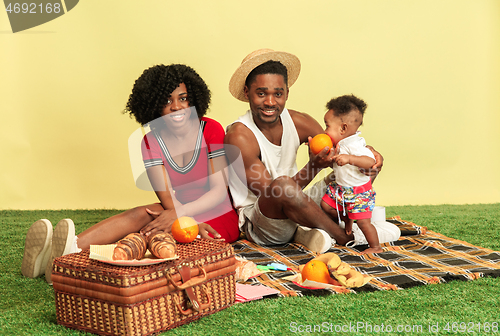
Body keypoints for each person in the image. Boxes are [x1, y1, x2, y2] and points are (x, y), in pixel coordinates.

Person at [22, 64, 240, 284]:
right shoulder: (150, 141)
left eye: (182, 99)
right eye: (166, 101)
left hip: (216, 212)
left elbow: (218, 193)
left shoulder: (210, 129)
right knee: (141, 214)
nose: (176, 107)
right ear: (153, 106)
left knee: (170, 233)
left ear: (193, 100)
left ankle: (64, 258)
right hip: (177, 207)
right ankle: (67, 249)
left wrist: (184, 220)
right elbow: (166, 200)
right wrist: (179, 217)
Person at [225, 48, 400, 254]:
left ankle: (315, 229)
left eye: (278, 94)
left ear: (287, 93)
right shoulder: (238, 136)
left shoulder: (299, 121)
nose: (270, 102)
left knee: (355, 169)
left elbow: (340, 146)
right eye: (261, 93)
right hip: (264, 223)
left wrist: (369, 155)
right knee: (283, 185)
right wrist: (313, 167)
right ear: (247, 93)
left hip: (298, 200)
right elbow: (274, 194)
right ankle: (344, 236)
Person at [320, 94, 382, 254]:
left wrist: (350, 159)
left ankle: (376, 247)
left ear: (343, 128)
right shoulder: (341, 142)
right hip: (341, 189)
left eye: (327, 126)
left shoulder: (354, 145)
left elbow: (369, 162)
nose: (325, 131)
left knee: (364, 223)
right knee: (326, 205)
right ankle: (347, 217)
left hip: (358, 192)